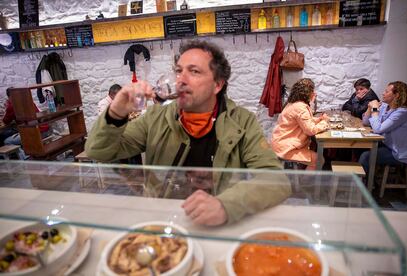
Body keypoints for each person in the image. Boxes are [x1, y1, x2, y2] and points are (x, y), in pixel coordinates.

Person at [86, 40, 290, 226]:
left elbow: (276, 180)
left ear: (217, 84)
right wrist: (116, 112)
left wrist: (226, 205)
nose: (180, 80)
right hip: (163, 223)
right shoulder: (156, 117)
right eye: (178, 71)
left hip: (217, 225)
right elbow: (98, 152)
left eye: (194, 72)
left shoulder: (242, 122)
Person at [271, 78, 330, 170]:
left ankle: (301, 178)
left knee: (314, 150)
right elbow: (310, 130)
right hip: (286, 148)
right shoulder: (300, 107)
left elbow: (304, 121)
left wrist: (318, 120)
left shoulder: (293, 104)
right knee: (319, 159)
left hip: (281, 144)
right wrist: (324, 122)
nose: (314, 93)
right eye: (312, 90)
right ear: (308, 93)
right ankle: (304, 184)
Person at [359, 81, 407, 174]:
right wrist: (369, 108)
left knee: (366, 156)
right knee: (361, 147)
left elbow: (377, 129)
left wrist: (375, 109)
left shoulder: (403, 112)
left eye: (387, 91)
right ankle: (368, 178)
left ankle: (364, 186)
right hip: (388, 144)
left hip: (400, 152)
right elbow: (365, 122)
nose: (383, 93)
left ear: (396, 95)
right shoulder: (385, 106)